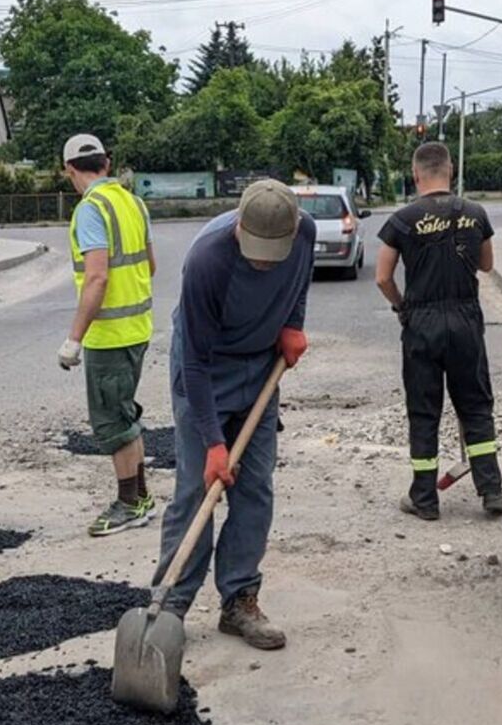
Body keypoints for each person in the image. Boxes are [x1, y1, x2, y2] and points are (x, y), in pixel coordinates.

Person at [152, 179, 312, 650]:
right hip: (207, 370)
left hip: (262, 367)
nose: (263, 260)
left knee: (256, 487)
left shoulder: (302, 237)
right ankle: (169, 606)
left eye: (272, 251)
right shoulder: (208, 259)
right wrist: (214, 444)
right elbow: (194, 362)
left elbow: (298, 284)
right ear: (239, 226)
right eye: (256, 250)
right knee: (195, 489)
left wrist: (293, 326)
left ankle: (239, 600)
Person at [374, 142, 502, 520]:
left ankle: (425, 499)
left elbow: (382, 277)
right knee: (476, 407)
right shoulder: (475, 213)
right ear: (450, 171)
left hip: (421, 324)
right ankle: (492, 491)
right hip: (466, 321)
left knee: (424, 412)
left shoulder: (402, 220)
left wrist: (402, 306)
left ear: (416, 174)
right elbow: (486, 265)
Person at [54, 134, 158, 537]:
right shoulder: (134, 203)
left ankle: (130, 503)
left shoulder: (90, 210)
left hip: (109, 335)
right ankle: (141, 496)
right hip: (137, 329)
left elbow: (96, 276)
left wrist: (74, 338)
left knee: (113, 423)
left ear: (69, 171)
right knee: (124, 415)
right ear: (107, 164)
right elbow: (149, 266)